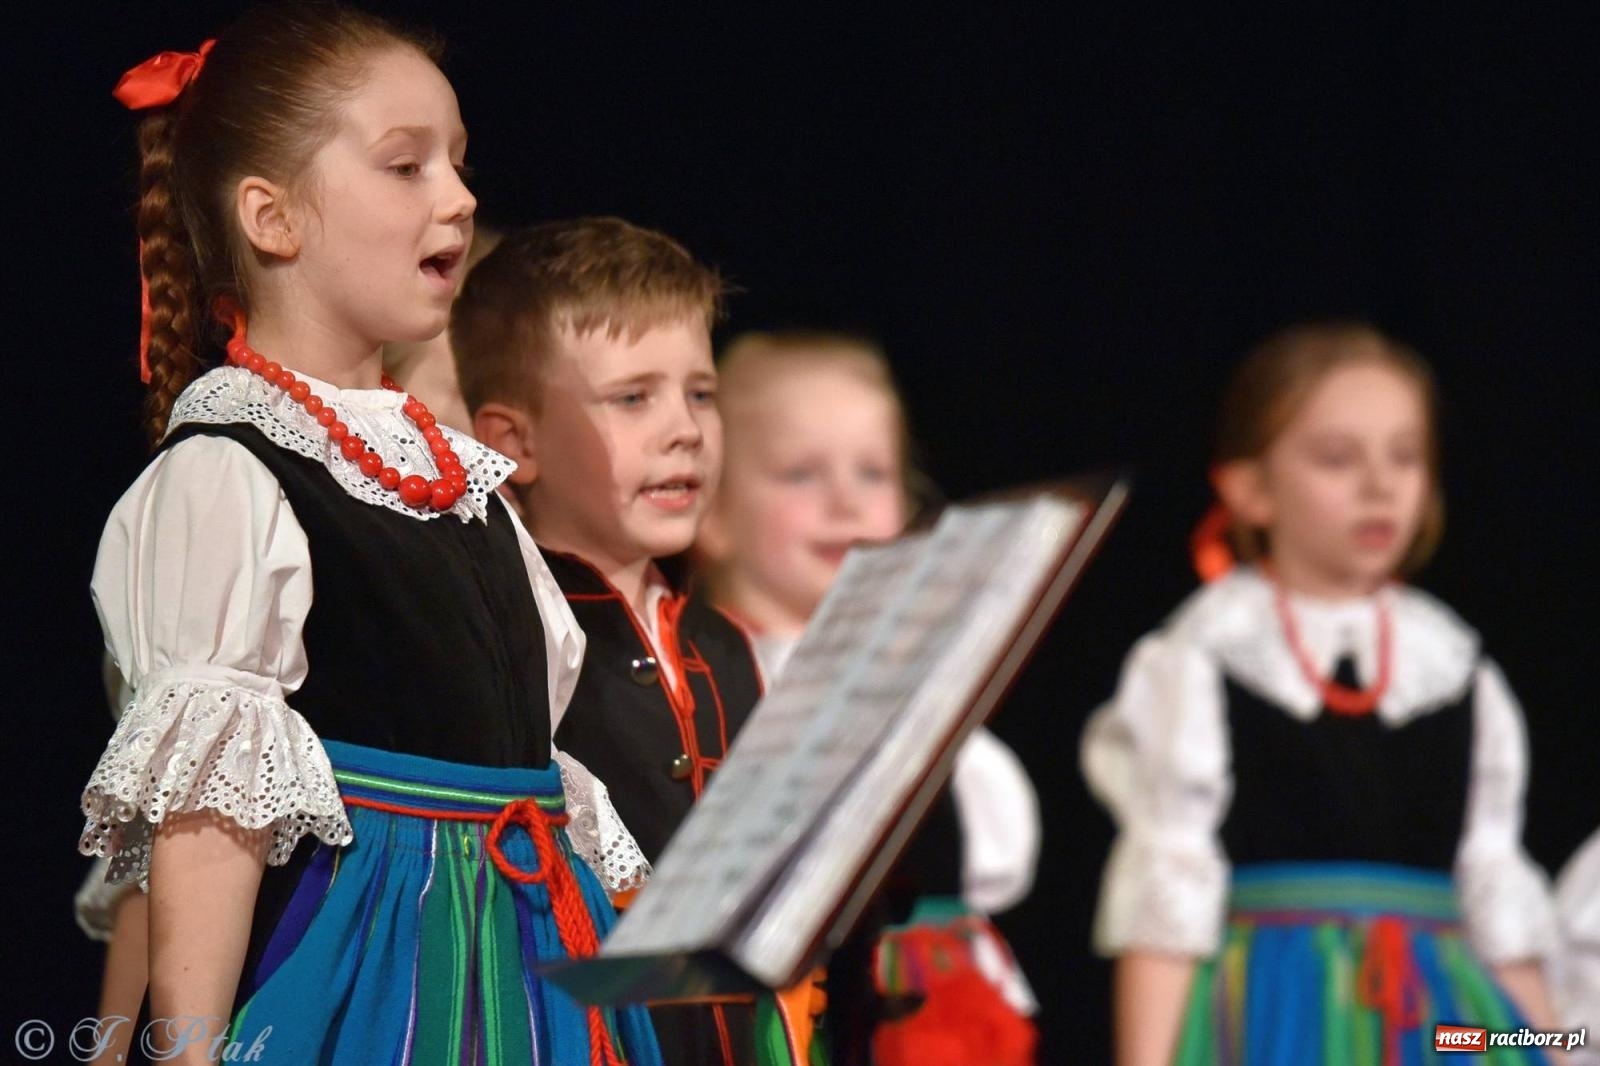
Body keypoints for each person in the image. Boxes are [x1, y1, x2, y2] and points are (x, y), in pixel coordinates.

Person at [76, 8, 658, 1063]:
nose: (461, 197)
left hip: (523, 967)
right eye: (406, 166)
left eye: (460, 163)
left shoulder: (462, 485)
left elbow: (538, 763)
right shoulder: (229, 474)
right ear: (273, 218)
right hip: (377, 974)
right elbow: (211, 826)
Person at [1083, 321, 1560, 1065]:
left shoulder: (1459, 670)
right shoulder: (1203, 658)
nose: (1380, 485)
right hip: (1278, 1014)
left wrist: (1558, 1045)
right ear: (1250, 490)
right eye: (1338, 459)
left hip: (1444, 1025)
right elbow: (1166, 899)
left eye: (1404, 457)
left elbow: (1496, 904)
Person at [456, 216, 785, 1065]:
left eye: (700, 393)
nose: (685, 429)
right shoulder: (509, 640)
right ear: (512, 443)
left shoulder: (726, 645)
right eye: (633, 397)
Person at [697, 330, 1040, 1066]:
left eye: (873, 473)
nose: (845, 501)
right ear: (715, 511)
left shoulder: (919, 686)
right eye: (800, 474)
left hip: (927, 1017)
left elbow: (994, 855)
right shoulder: (721, 684)